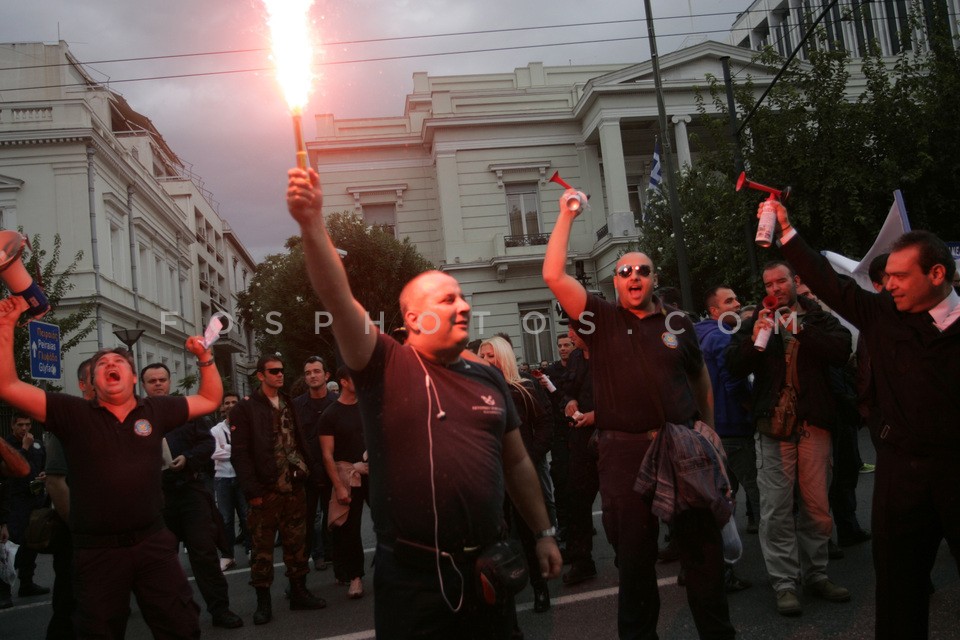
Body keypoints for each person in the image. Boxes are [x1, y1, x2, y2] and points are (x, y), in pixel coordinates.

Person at [286, 166, 561, 639]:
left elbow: (517, 463)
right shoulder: (383, 367)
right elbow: (337, 295)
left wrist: (542, 533)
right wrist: (313, 225)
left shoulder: (488, 380)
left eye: (462, 298)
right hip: (413, 581)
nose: (463, 306)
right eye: (447, 299)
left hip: (489, 568)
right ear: (413, 318)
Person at [543, 187, 734, 639]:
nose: (633, 276)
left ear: (653, 278)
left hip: (680, 448)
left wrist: (707, 425)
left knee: (702, 556)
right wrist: (566, 216)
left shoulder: (677, 323)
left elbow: (700, 378)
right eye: (625, 271)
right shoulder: (601, 319)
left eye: (642, 271)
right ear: (616, 281)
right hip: (622, 455)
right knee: (634, 562)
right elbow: (553, 274)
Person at [766, 202, 960, 640]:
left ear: (936, 274)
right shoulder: (882, 314)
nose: (886, 284)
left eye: (898, 276)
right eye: (885, 276)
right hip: (901, 475)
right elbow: (827, 282)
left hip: (956, 471)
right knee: (898, 588)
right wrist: (787, 231)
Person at [0, 294, 223, 639]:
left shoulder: (155, 410)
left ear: (132, 377)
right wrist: (7, 323)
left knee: (180, 625)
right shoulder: (72, 413)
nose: (109, 364)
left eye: (116, 361)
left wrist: (205, 359)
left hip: (153, 543)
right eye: (100, 364)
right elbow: (7, 385)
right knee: (98, 631)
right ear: (93, 382)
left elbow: (210, 399)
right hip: (97, 552)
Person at [727, 260, 853, 617]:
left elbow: (840, 351)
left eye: (781, 281)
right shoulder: (755, 321)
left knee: (817, 506)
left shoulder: (817, 317)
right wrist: (754, 341)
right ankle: (784, 583)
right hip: (773, 428)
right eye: (768, 284)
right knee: (776, 510)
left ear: (796, 281)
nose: (775, 288)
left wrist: (797, 328)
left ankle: (816, 574)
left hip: (814, 425)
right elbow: (733, 366)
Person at [141, 363, 243, 630]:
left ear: (170, 381)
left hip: (189, 491)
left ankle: (220, 610)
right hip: (157, 497)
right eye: (152, 381)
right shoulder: (136, 417)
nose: (158, 384)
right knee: (161, 561)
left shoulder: (185, 411)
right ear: (144, 385)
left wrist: (188, 458)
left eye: (162, 379)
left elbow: (207, 443)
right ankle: (172, 618)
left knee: (204, 553)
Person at [230, 354, 327, 625]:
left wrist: (308, 472)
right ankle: (263, 603)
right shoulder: (244, 409)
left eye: (282, 370)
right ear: (260, 375)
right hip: (265, 490)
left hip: (294, 488)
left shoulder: (288, 402)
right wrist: (253, 491)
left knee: (297, 545)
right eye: (273, 371)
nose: (279, 375)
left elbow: (298, 440)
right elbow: (240, 455)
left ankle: (299, 593)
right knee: (262, 552)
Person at [479, 336, 554, 614]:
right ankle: (501, 594)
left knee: (528, 534)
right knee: (496, 537)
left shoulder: (523, 390)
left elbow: (545, 424)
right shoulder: (475, 393)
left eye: (491, 355)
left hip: (521, 477)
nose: (486, 361)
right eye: (482, 356)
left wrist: (529, 459)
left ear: (504, 357)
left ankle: (540, 588)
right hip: (490, 479)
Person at [693, 286, 755, 593]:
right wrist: (753, 408)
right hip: (734, 428)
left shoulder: (700, 335)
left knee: (722, 503)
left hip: (713, 432)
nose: (738, 302)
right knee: (761, 497)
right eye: (730, 300)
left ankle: (722, 569)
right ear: (715, 312)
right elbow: (734, 382)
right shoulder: (722, 337)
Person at [40, 358, 94, 640]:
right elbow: (56, 482)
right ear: (85, 385)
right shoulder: (68, 424)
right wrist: (79, 527)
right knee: (70, 603)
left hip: (109, 535)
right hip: (78, 535)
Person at [318, 366, 368, 599]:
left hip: (374, 475)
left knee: (389, 523)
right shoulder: (331, 414)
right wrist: (338, 485)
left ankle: (395, 572)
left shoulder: (369, 407)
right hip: (348, 477)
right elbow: (327, 455)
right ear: (344, 382)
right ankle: (355, 578)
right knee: (349, 529)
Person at [292, 355, 338, 572]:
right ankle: (299, 578)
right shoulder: (296, 406)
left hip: (335, 472)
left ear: (326, 375)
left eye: (316, 371)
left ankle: (339, 564)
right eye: (308, 372)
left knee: (338, 520)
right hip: (307, 475)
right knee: (305, 524)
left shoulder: (337, 404)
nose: (312, 376)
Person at [0, 411, 49, 605]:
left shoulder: (37, 445)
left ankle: (27, 583)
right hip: (13, 503)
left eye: (28, 424)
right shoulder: (6, 445)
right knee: (9, 549)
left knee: (31, 543)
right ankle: (3, 591)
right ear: (12, 425)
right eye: (20, 425)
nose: (25, 429)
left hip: (34, 501)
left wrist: (45, 475)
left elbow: (42, 465)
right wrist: (24, 448)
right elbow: (8, 469)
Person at [211, 392, 249, 569]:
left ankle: (251, 550)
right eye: (227, 402)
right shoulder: (216, 430)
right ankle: (227, 555)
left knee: (246, 516)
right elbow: (213, 453)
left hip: (242, 477)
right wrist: (237, 450)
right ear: (222, 406)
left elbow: (250, 449)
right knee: (225, 519)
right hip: (223, 478)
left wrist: (226, 448)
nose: (231, 405)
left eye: (234, 402)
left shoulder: (246, 426)